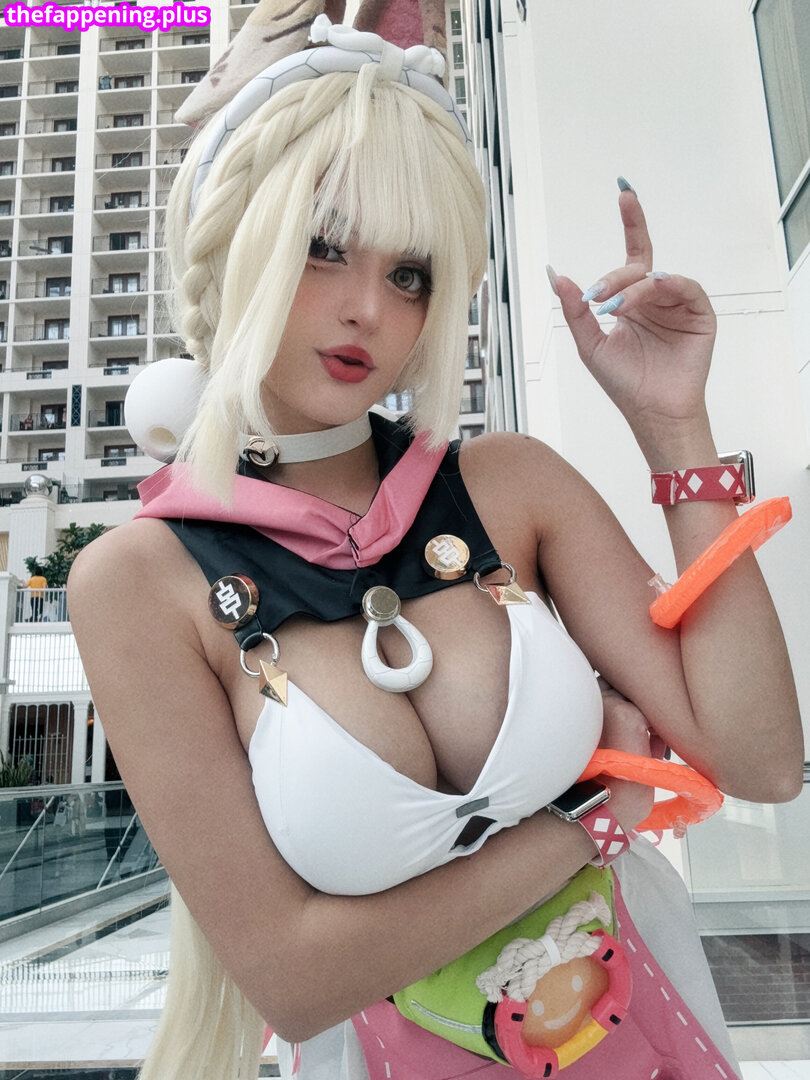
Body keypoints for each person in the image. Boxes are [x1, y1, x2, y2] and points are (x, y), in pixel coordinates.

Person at [67, 8, 803, 1080]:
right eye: (324, 247)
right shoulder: (140, 582)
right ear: (240, 239)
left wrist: (674, 429)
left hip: (647, 1041)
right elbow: (294, 978)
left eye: (410, 272)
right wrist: (586, 827)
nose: (369, 307)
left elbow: (762, 761)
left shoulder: (508, 485)